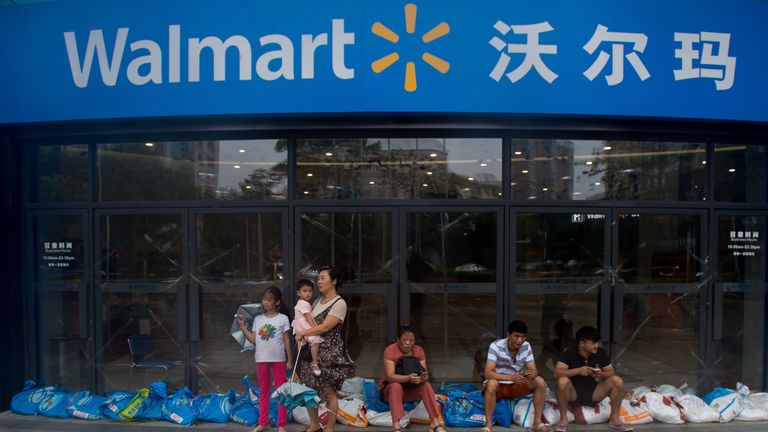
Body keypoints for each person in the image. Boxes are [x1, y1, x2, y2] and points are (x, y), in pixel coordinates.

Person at [294, 266, 354, 432]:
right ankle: (314, 426)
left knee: (329, 392)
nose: (319, 281)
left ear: (334, 281)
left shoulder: (339, 303)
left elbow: (324, 327)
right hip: (312, 351)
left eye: (323, 278)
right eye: (318, 278)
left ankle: (329, 428)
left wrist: (302, 332)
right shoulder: (316, 301)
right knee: (309, 390)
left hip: (328, 354)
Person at [554, 326, 632, 432]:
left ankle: (614, 419)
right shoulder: (569, 353)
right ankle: (563, 420)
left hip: (594, 393)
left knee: (617, 380)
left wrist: (600, 374)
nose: (597, 345)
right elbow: (557, 373)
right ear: (582, 343)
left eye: (597, 343)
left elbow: (611, 372)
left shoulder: (601, 352)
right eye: (593, 343)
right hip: (573, 395)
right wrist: (578, 370)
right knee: (562, 381)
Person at [237, 286, 293, 432]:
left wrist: (289, 360)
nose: (265, 302)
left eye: (269, 300)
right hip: (261, 359)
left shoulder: (283, 318)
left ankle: (282, 425)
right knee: (263, 391)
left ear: (277, 302)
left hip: (279, 360)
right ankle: (263, 423)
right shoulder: (258, 319)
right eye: (264, 299)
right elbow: (253, 339)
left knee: (281, 391)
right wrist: (243, 326)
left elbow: (287, 340)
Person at [483, 320, 549, 432]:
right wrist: (510, 377)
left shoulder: (526, 346)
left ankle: (537, 422)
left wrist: (529, 375)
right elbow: (488, 373)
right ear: (508, 335)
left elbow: (534, 370)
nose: (520, 340)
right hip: (499, 385)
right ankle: (488, 424)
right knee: (492, 383)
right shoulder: (495, 346)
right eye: (516, 336)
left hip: (516, 384)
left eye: (523, 337)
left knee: (539, 381)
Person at [380, 325, 445, 432]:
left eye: (411, 340)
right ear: (398, 339)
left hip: (411, 389)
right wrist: (408, 378)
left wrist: (422, 378)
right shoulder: (390, 350)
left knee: (426, 385)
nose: (407, 343)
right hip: (392, 391)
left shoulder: (419, 351)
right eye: (404, 340)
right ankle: (396, 426)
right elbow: (390, 377)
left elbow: (425, 375)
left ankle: (435, 423)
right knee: (395, 386)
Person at [292, 278, 323, 376]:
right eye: (304, 291)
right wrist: (315, 328)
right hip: (304, 326)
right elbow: (308, 317)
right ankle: (314, 363)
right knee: (315, 340)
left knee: (302, 345)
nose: (308, 293)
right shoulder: (304, 303)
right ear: (298, 293)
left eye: (310, 291)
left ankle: (303, 364)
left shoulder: (303, 303)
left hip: (299, 327)